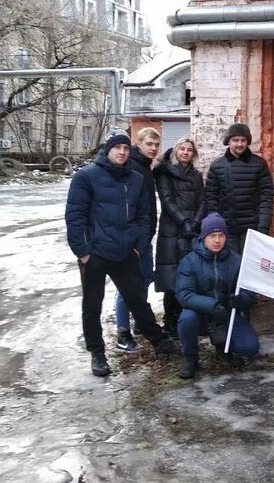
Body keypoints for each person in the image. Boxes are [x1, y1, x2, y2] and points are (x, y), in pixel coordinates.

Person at [65, 132, 176, 377]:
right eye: (117, 148)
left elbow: (143, 216)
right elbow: (75, 217)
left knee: (137, 298)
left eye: (126, 148)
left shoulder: (135, 179)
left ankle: (159, 341)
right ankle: (97, 353)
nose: (122, 152)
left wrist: (137, 246)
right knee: (92, 305)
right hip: (95, 253)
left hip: (125, 251)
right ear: (108, 151)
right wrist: (83, 252)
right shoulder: (86, 177)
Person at [174, 212, 260, 379]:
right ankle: (190, 358)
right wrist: (212, 306)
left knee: (250, 348)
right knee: (186, 318)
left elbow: (249, 293)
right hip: (200, 314)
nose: (217, 240)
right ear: (203, 237)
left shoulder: (236, 261)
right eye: (212, 235)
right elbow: (184, 294)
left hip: (227, 314)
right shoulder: (190, 261)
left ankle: (223, 348)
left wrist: (241, 299)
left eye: (221, 235)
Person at [114, 126, 161, 352]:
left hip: (145, 237)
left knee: (144, 280)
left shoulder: (145, 167)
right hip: (131, 239)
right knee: (128, 286)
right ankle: (123, 332)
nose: (153, 148)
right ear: (139, 144)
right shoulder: (130, 166)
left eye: (156, 145)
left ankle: (140, 319)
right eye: (149, 144)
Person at [154, 137, 205, 339]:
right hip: (172, 229)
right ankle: (171, 320)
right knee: (172, 276)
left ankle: (193, 317)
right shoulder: (165, 173)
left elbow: (203, 200)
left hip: (193, 229)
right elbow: (167, 200)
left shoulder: (196, 175)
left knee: (193, 274)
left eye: (189, 150)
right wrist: (183, 221)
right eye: (182, 149)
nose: (185, 152)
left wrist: (196, 222)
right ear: (176, 151)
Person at [204, 123, 273, 253]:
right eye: (235, 140)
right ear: (228, 141)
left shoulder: (259, 164)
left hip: (252, 230)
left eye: (243, 140)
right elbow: (211, 199)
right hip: (226, 230)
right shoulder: (217, 166)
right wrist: (216, 227)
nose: (239, 144)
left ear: (248, 142)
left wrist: (263, 227)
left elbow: (266, 198)